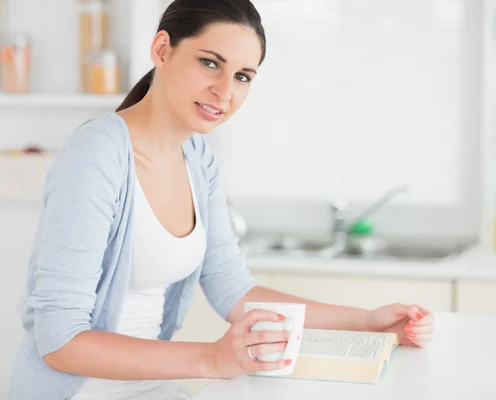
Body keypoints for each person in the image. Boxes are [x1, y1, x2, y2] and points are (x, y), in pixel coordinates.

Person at [8, 0, 434, 398]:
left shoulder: (197, 158)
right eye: (210, 63)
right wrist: (211, 358)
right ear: (162, 49)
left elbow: (234, 290)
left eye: (243, 77)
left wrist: (366, 322)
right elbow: (59, 338)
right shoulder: (98, 154)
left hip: (150, 388)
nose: (225, 91)